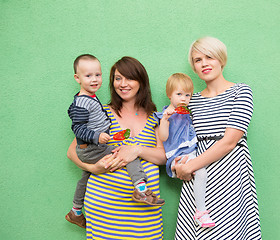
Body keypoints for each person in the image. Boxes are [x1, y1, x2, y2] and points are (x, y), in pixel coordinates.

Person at [67, 56, 166, 239]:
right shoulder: (101, 113)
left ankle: (141, 190)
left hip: (145, 214)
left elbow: (163, 157)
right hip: (104, 211)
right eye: (118, 78)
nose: (123, 84)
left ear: (141, 81)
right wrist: (92, 168)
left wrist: (137, 150)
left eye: (129, 78)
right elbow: (72, 151)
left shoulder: (155, 116)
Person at [173, 37, 262, 239]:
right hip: (198, 180)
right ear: (194, 67)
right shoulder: (191, 101)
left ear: (221, 59)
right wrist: (179, 162)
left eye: (209, 57)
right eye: (198, 60)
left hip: (229, 175)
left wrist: (191, 165)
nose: (204, 63)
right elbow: (183, 138)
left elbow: (230, 141)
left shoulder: (241, 92)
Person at [153, 73, 215, 228]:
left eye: (188, 95)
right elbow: (164, 136)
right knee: (201, 173)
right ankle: (200, 212)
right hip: (176, 155)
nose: (183, 99)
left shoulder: (186, 113)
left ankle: (200, 211)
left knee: (202, 174)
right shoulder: (165, 115)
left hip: (190, 152)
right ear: (169, 94)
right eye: (179, 94)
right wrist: (165, 121)